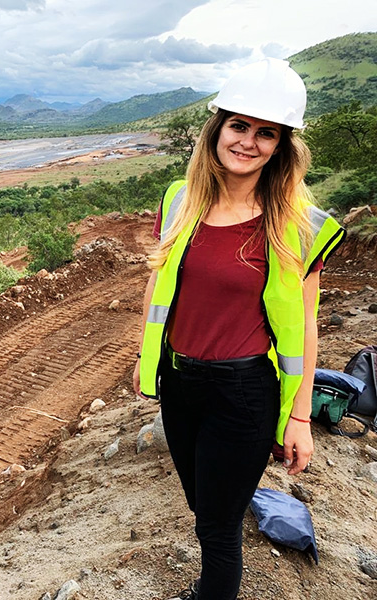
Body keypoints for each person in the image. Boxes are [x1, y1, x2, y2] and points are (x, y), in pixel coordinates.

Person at [132, 58, 346, 600]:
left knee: (218, 527)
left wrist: (299, 415)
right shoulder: (179, 200)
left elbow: (306, 322)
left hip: (243, 393)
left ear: (281, 145)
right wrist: (148, 361)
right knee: (204, 505)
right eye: (239, 126)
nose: (248, 141)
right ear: (217, 129)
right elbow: (160, 291)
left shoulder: (299, 225)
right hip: (180, 385)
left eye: (266, 132)